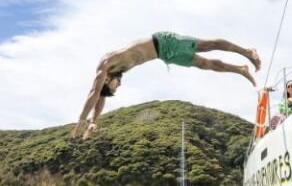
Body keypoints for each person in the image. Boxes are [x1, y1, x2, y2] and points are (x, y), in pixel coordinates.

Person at [73, 31, 261, 139]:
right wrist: (94, 121)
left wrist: (81, 122)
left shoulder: (105, 66)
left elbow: (94, 93)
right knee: (205, 65)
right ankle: (240, 69)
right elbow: (100, 97)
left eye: (115, 86)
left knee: (207, 45)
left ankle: (246, 51)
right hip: (164, 54)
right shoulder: (109, 74)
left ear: (105, 80)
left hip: (163, 42)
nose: (119, 85)